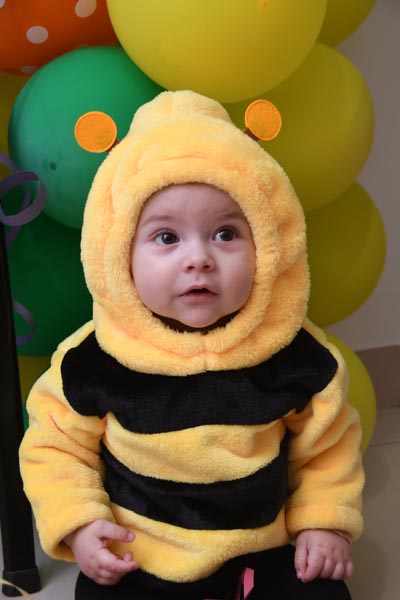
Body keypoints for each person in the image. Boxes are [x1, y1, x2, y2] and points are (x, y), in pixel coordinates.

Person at [19, 90, 364, 600]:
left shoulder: (296, 357)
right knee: (96, 593)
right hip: (142, 551)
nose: (198, 259)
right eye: (166, 238)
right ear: (118, 253)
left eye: (225, 234)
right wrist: (81, 524)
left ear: (270, 245)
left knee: (323, 592)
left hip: (257, 549)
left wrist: (324, 523)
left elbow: (328, 450)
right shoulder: (93, 360)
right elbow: (54, 446)